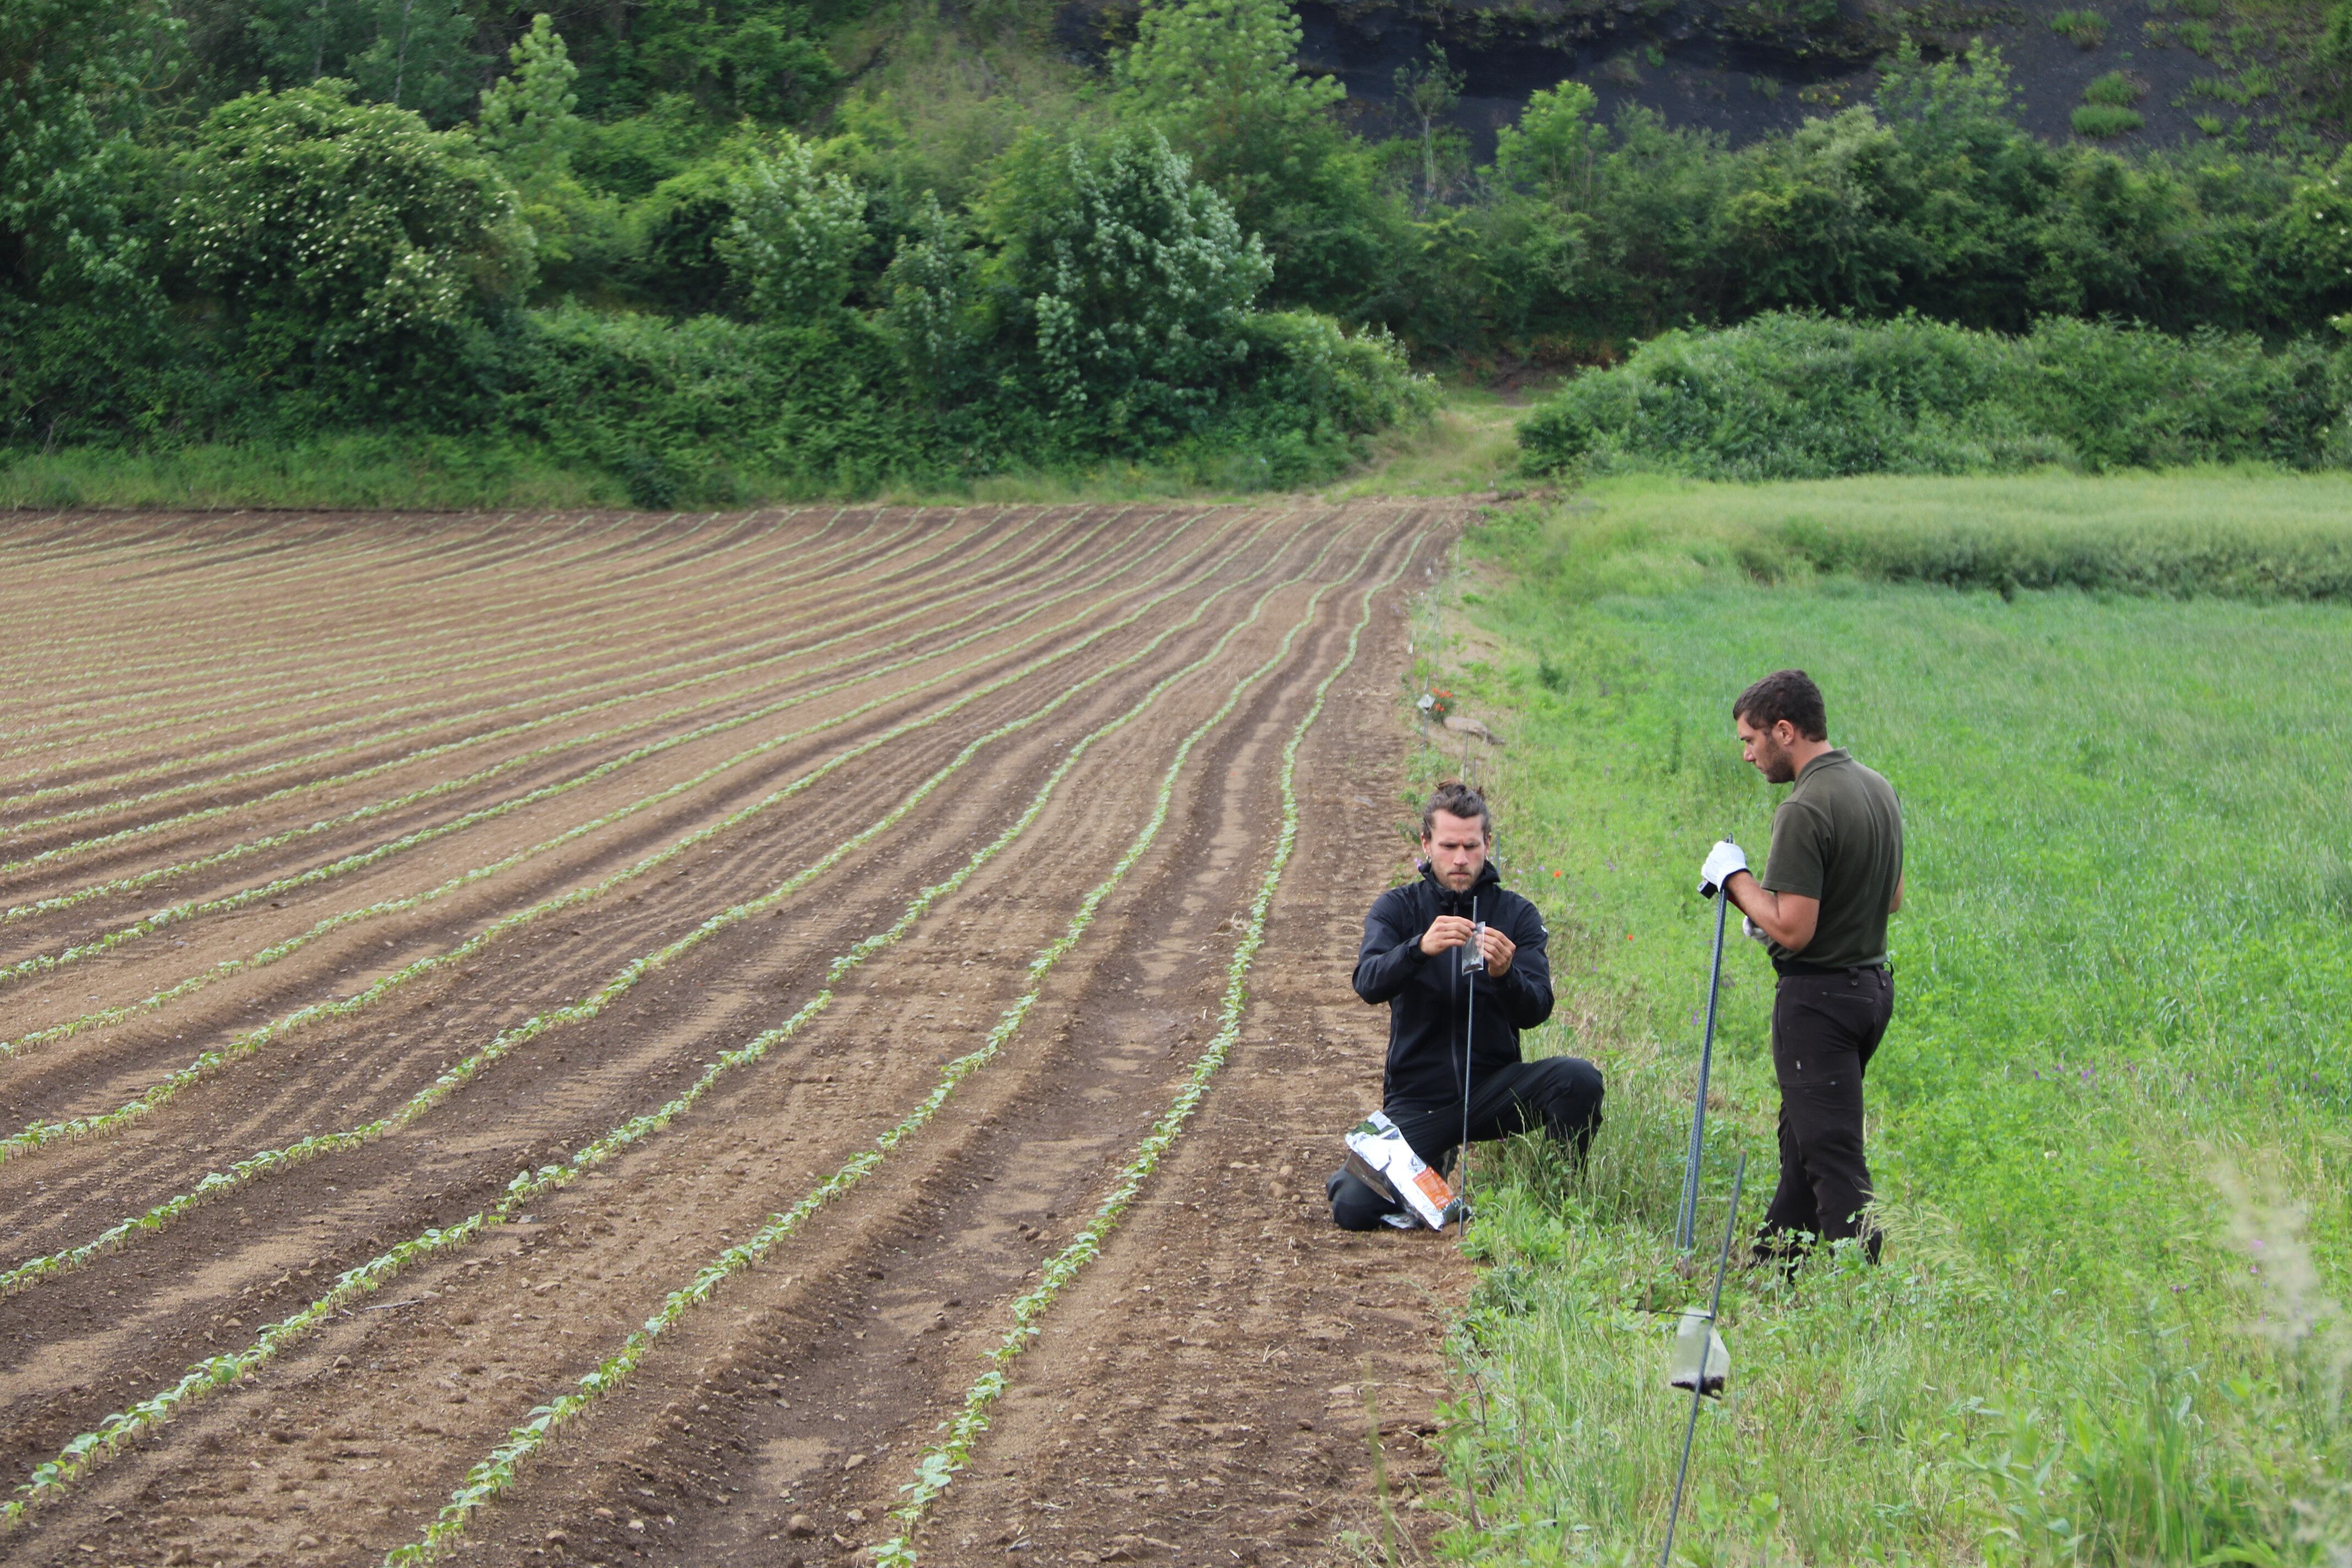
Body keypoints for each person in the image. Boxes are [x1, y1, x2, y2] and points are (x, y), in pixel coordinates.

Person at [1329, 781, 1605, 1231]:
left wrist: (1505, 975)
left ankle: (1556, 1199)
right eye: (1449, 846)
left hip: (1496, 1091)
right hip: (1420, 1100)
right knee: (1353, 1205)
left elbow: (1537, 1010)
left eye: (1471, 846)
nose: (1460, 859)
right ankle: (1429, 1175)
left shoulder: (1517, 915)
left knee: (1579, 1080)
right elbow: (1368, 982)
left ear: (1488, 844)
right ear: (1426, 844)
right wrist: (1418, 948)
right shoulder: (1397, 909)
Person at [1697, 669, 1904, 1264]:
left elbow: (1793, 927)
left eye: (1750, 739)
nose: (1747, 754)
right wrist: (1781, 909)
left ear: (1783, 731)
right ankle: (1774, 1262)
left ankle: (1860, 1289)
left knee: (1832, 1151)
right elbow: (1887, 897)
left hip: (1818, 1003)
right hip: (1871, 991)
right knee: (1805, 1139)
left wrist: (1734, 879)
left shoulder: (1805, 806)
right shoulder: (1877, 787)